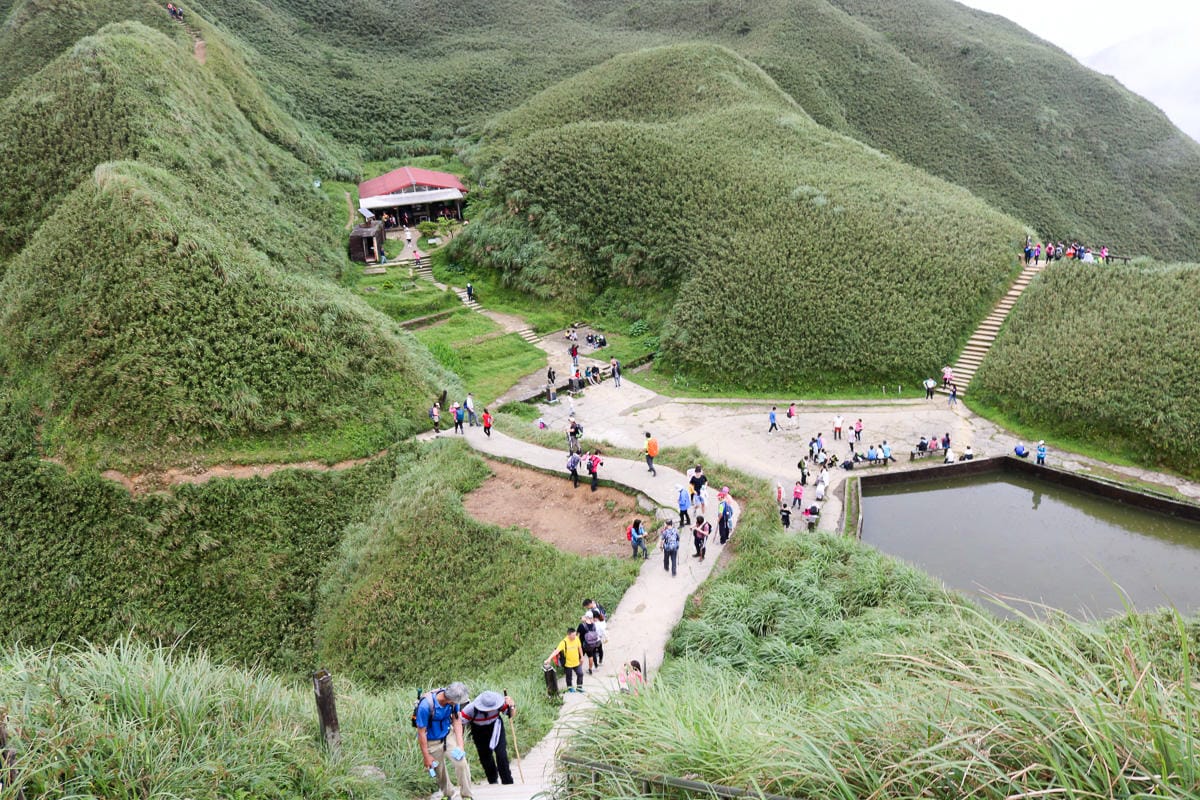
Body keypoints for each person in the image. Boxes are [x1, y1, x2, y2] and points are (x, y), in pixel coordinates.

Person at [415, 683, 475, 800]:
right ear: (450, 700)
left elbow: (457, 722)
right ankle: (448, 793)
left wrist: (460, 746)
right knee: (438, 769)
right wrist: (426, 756)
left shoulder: (453, 704)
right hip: (431, 741)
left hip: (448, 736)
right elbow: (421, 733)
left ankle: (467, 795)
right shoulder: (425, 706)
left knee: (461, 762)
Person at [460, 691, 515, 786]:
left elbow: (510, 714)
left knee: (501, 754)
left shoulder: (498, 704)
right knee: (485, 757)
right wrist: (460, 740)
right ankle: (492, 779)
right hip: (479, 731)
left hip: (496, 727)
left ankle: (507, 781)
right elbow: (460, 724)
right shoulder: (470, 709)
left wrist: (512, 705)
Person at [582, 599, 607, 665]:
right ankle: (600, 661)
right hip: (599, 637)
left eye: (586, 607)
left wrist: (585, 620)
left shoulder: (594, 623)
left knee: (593, 651)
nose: (587, 608)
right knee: (600, 649)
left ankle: (596, 665)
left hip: (594, 638)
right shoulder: (596, 605)